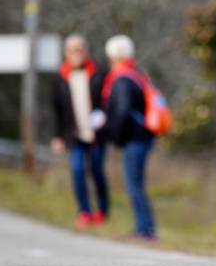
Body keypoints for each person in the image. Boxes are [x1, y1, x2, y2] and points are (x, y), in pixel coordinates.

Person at [101, 35, 157, 241]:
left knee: (134, 184)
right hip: (142, 136)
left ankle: (146, 229)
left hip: (135, 138)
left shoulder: (122, 78)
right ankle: (144, 227)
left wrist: (114, 136)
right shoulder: (136, 74)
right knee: (136, 183)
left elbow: (123, 110)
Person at [51, 34, 109, 228]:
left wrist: (103, 116)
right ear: (66, 53)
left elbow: (108, 100)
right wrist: (57, 136)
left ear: (86, 51)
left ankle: (102, 210)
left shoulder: (99, 72)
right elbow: (57, 109)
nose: (76, 53)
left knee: (97, 171)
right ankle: (84, 211)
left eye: (79, 49)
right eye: (72, 50)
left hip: (96, 134)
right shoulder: (60, 76)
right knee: (77, 171)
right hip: (73, 134)